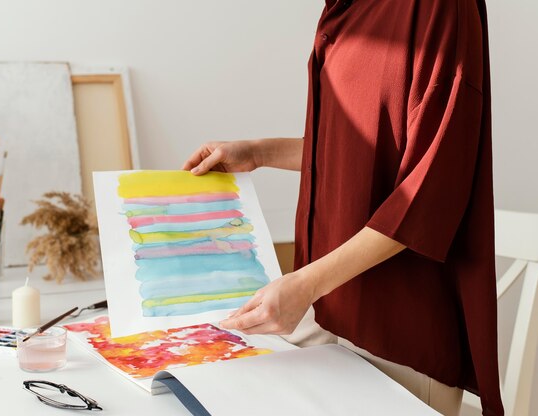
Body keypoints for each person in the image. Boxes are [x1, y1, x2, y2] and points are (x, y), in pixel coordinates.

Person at [182, 1, 503, 415]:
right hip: (323, 315)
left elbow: (428, 191)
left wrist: (307, 284)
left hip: (395, 337)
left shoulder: (437, 7)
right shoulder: (343, 9)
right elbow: (363, 152)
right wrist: (259, 152)